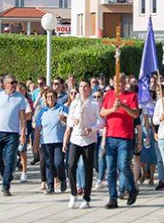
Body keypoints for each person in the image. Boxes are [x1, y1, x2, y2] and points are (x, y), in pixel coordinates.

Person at [100, 73, 140, 209]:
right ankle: (113, 198)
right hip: (111, 136)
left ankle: (132, 188)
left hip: (125, 137)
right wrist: (113, 109)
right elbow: (102, 112)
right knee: (110, 169)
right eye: (117, 83)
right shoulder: (109, 95)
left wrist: (123, 106)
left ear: (125, 83)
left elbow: (135, 114)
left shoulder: (132, 96)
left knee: (123, 165)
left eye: (121, 83)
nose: (119, 85)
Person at [0, 75, 28, 197]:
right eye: (11, 82)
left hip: (13, 134)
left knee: (10, 159)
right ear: (5, 84)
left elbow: (22, 118)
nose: (14, 85)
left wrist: (23, 133)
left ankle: (6, 185)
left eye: (15, 82)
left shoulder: (20, 98)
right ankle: (6, 174)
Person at [64, 80, 103, 209]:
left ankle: (86, 198)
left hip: (89, 140)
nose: (83, 89)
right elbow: (69, 118)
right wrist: (72, 121)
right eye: (81, 86)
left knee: (87, 169)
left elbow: (102, 121)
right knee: (70, 166)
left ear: (89, 89)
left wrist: (92, 129)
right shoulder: (75, 103)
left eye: (85, 86)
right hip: (75, 138)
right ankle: (73, 193)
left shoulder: (94, 103)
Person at [35, 90, 69, 194]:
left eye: (52, 96)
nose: (50, 98)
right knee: (48, 163)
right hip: (46, 142)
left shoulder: (62, 108)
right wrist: (35, 143)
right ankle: (50, 186)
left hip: (58, 140)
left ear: (56, 98)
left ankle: (62, 179)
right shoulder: (42, 111)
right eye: (48, 97)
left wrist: (64, 119)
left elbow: (70, 122)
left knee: (58, 162)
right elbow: (37, 128)